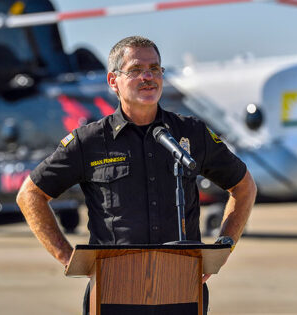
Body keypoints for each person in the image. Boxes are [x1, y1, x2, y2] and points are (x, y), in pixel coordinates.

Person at [16, 35, 257, 314]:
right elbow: (30, 195)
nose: (148, 77)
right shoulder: (90, 141)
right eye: (135, 70)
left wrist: (224, 246)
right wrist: (66, 256)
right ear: (113, 81)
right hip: (113, 290)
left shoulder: (190, 134)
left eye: (155, 69)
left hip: (181, 286)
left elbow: (243, 185)